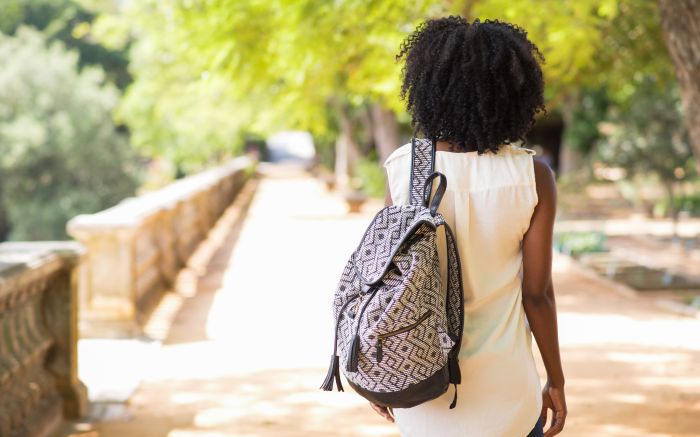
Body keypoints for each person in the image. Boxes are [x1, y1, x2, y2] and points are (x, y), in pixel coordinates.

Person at [374, 17, 567, 437]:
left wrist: (377, 366)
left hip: (422, 390)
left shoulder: (404, 169)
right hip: (508, 397)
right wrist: (556, 379)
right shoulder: (532, 178)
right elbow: (537, 294)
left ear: (428, 89)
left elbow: (381, 282)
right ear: (515, 94)